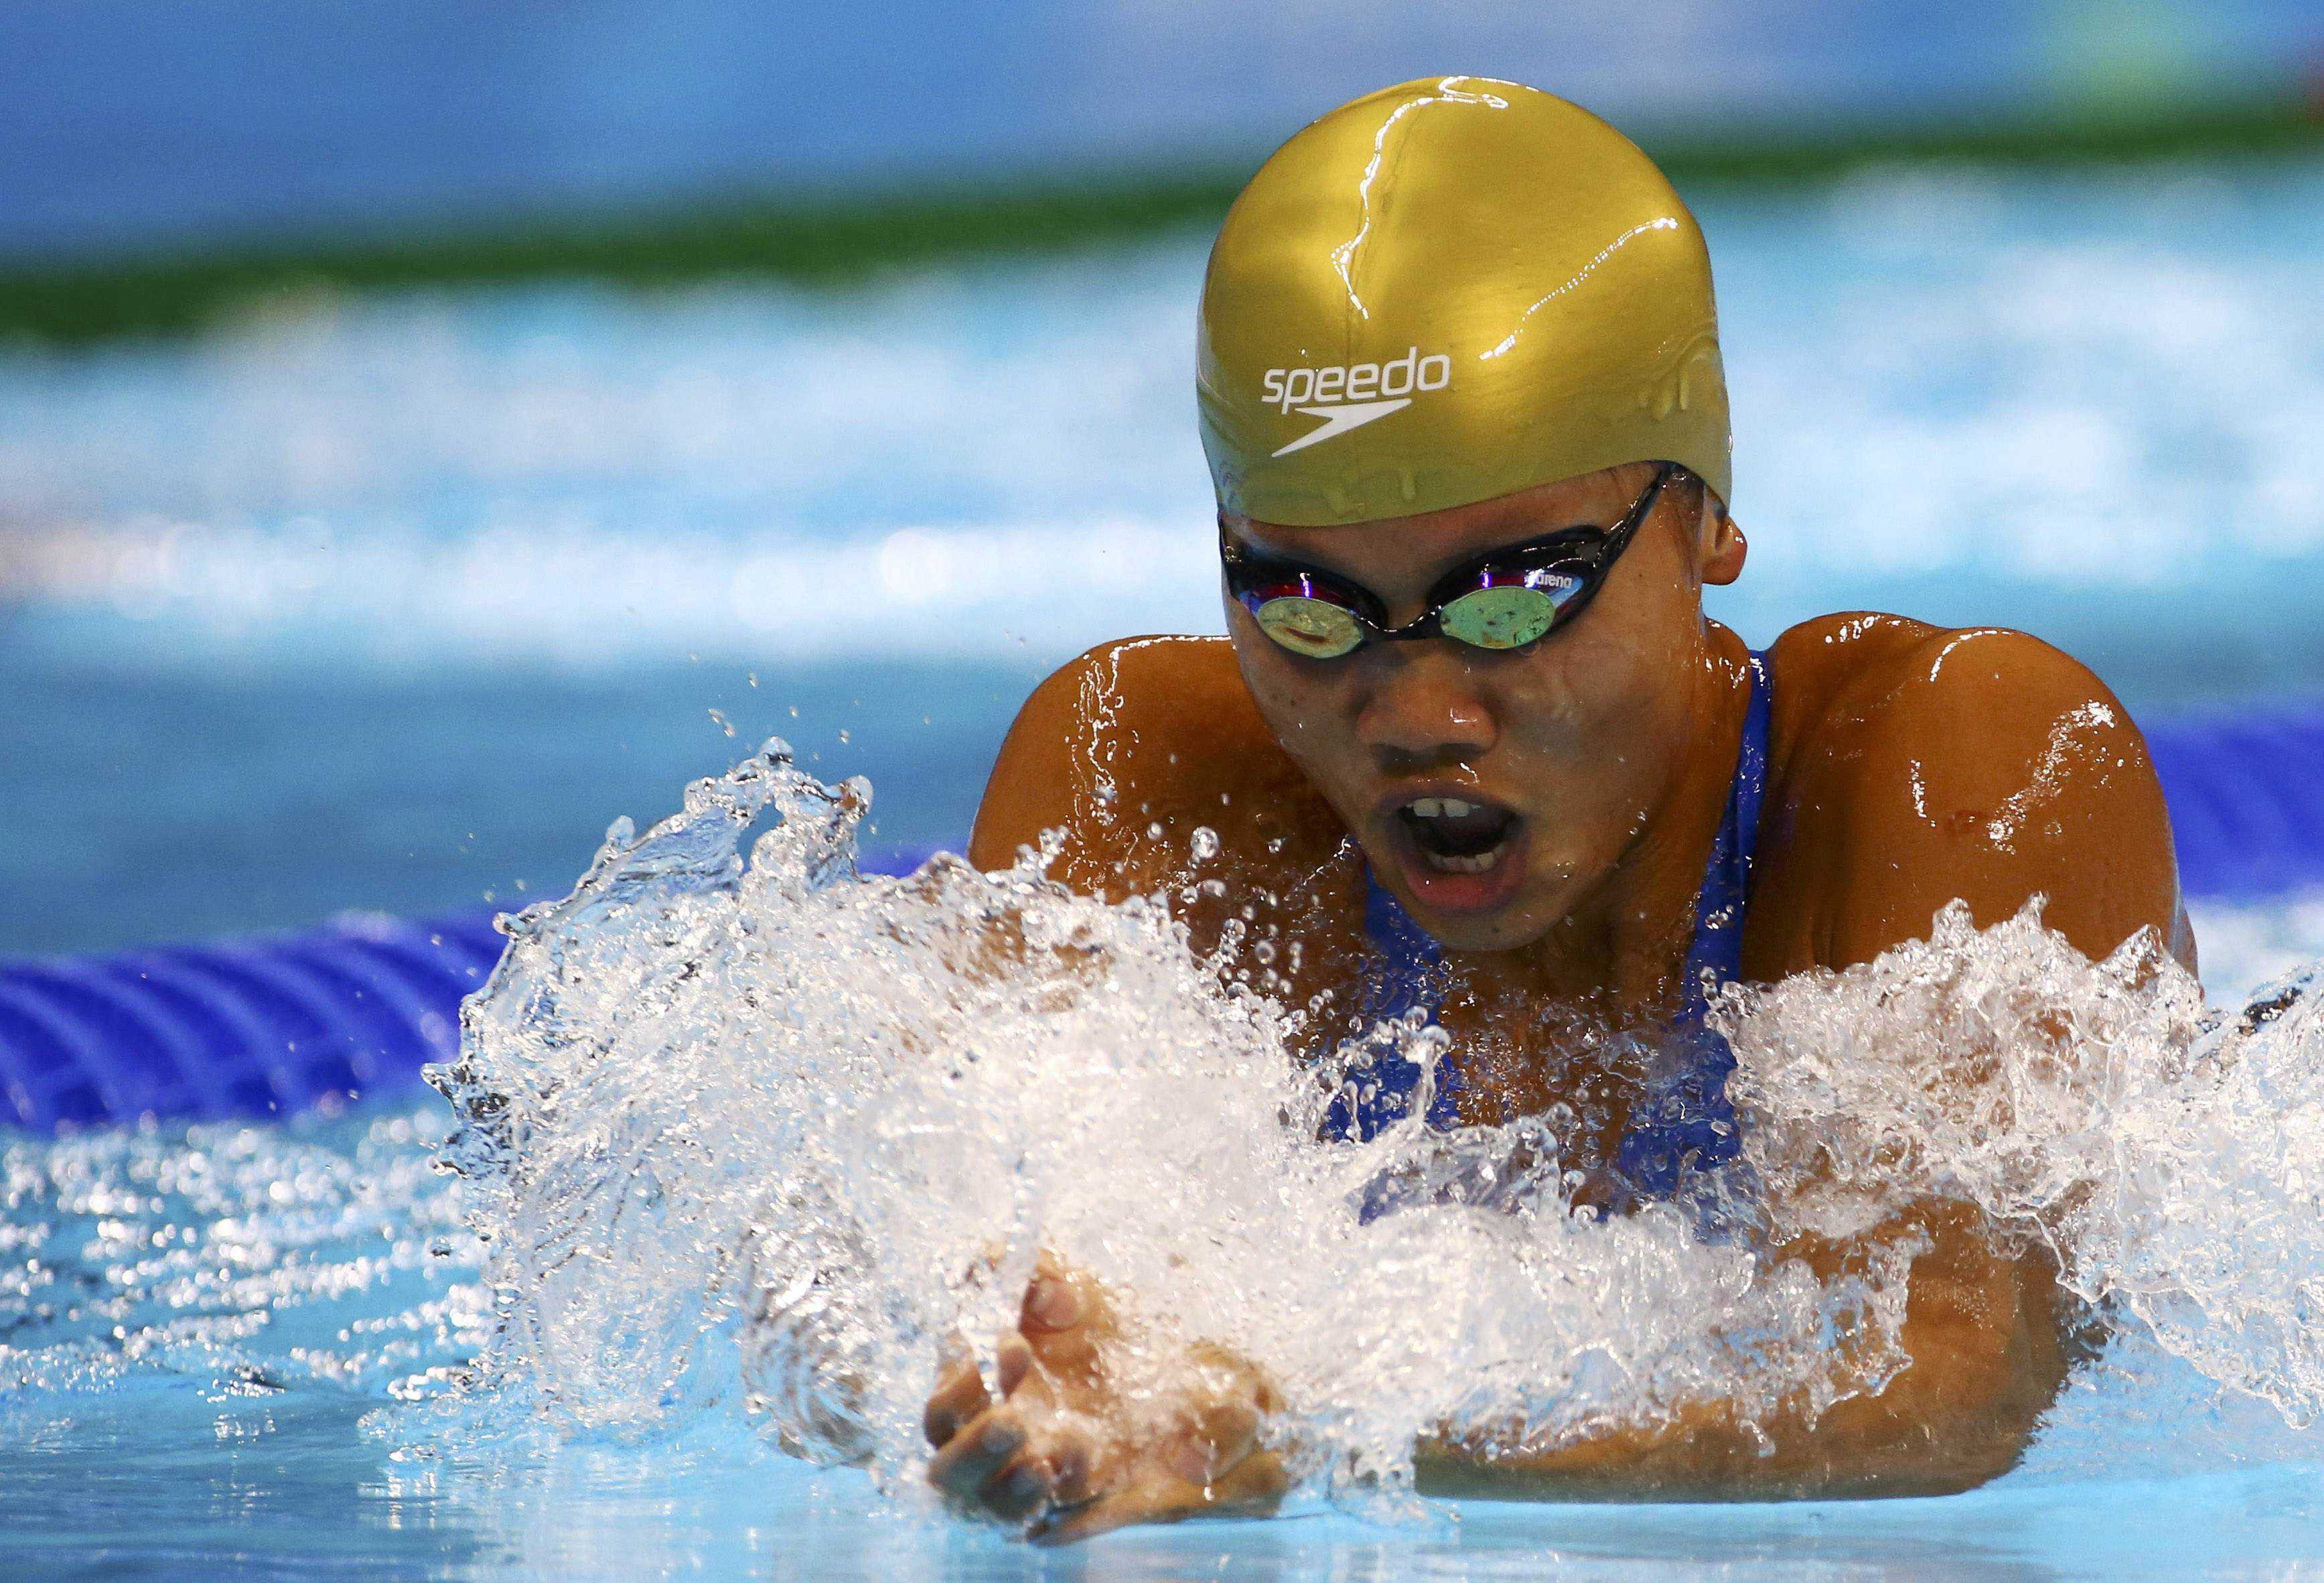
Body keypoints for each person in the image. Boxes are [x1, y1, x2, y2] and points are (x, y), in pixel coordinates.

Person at [922, 76, 2192, 1541]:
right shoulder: (1151, 785)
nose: (1413, 715)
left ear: (1705, 519)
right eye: (1304, 601)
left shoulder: (1955, 759)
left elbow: (1939, 1384)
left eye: (1514, 592)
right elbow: (973, 1331)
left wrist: (1323, 1428)